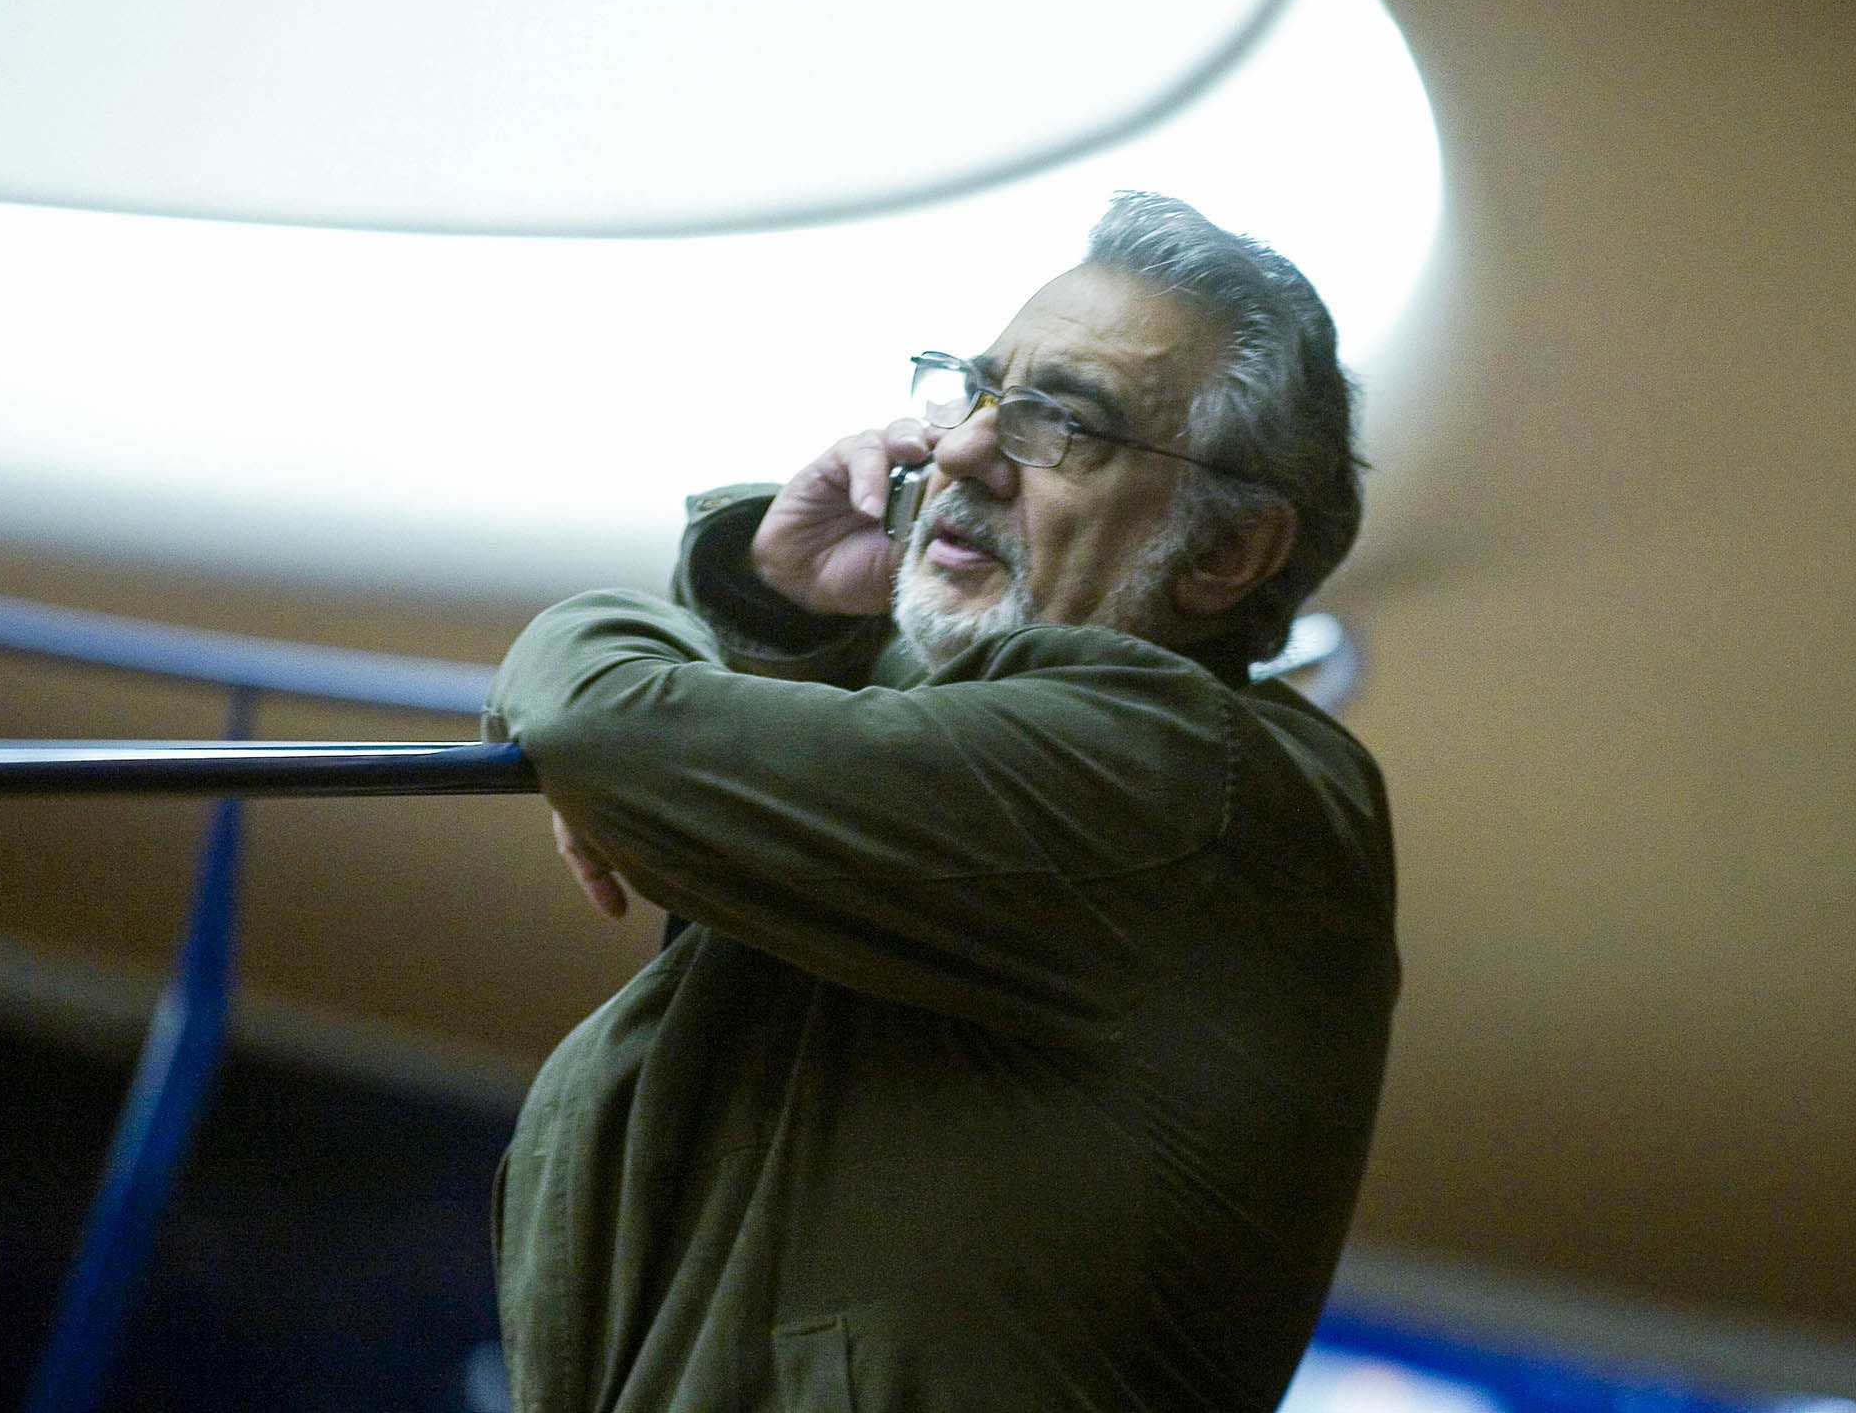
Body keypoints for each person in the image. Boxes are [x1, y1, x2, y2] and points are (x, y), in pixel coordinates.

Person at [483, 192, 1398, 1412]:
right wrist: (776, 604)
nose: (964, 451)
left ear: (1226, 551)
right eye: (976, 390)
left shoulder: (1190, 781)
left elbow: (601, 715)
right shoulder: (987, 783)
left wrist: (606, 690)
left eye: (1058, 423)